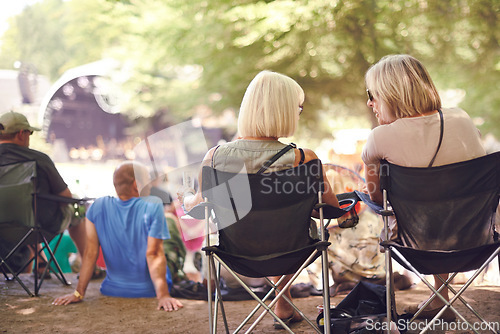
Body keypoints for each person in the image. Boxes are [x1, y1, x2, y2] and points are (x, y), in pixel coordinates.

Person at [178, 70, 340, 329]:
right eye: (297, 109)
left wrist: (185, 199)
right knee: (287, 225)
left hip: (237, 254)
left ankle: (283, 301)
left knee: (266, 223)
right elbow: (330, 209)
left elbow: (198, 209)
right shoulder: (304, 159)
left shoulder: (215, 157)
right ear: (284, 112)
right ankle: (282, 299)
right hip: (293, 253)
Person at [361, 54, 486, 321]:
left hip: (416, 244)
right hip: (477, 238)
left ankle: (432, 302)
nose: (369, 102)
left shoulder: (379, 138)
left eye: (372, 94)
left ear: (390, 92)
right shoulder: (462, 119)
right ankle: (440, 298)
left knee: (408, 211)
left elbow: (376, 197)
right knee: (440, 203)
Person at [53, 161, 183, 312]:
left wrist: (78, 293)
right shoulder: (153, 205)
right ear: (136, 184)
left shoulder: (97, 206)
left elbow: (90, 252)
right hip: (149, 290)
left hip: (112, 289)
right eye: (147, 180)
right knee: (173, 237)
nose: (150, 186)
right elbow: (153, 253)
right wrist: (163, 296)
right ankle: (182, 274)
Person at [0, 111, 87, 275]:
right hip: (38, 227)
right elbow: (65, 198)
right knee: (74, 211)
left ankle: (40, 261)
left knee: (26, 210)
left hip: (3, 231)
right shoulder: (39, 159)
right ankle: (87, 266)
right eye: (30, 133)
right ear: (21, 134)